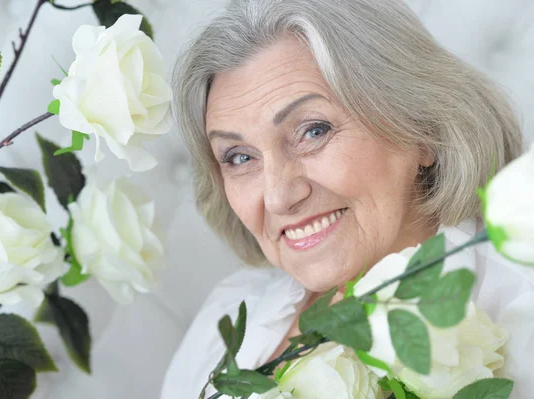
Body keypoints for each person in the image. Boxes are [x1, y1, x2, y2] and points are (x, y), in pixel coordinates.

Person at [161, 0, 534, 397]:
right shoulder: (230, 315)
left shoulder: (520, 313)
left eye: (314, 131)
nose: (277, 196)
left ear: (423, 129)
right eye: (240, 157)